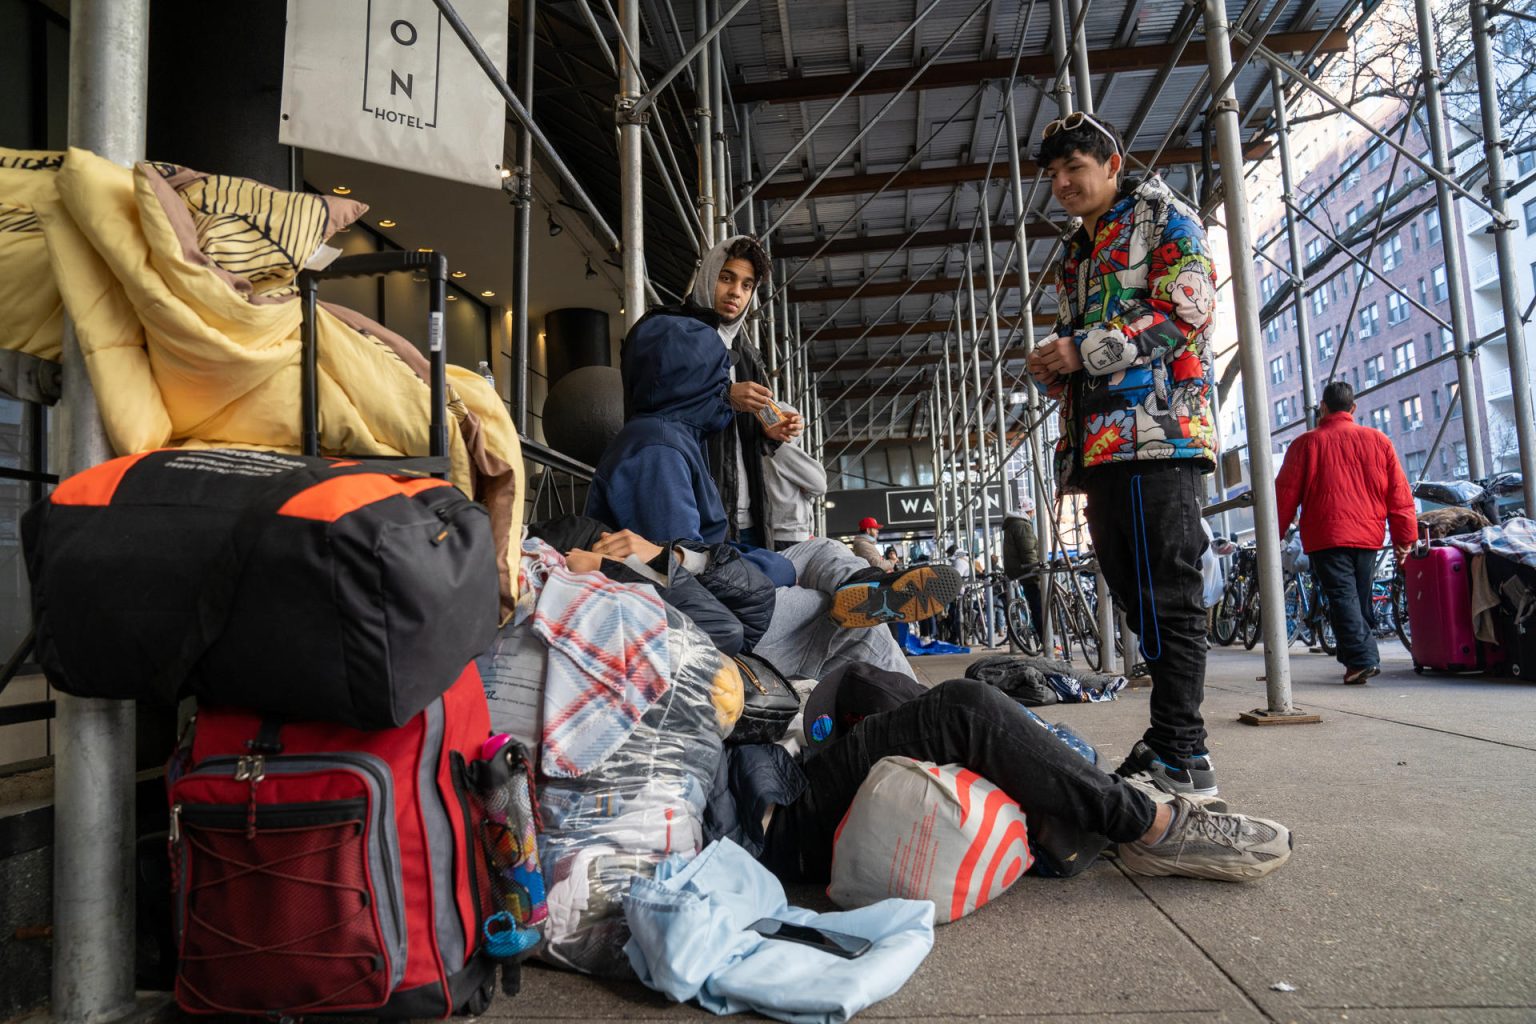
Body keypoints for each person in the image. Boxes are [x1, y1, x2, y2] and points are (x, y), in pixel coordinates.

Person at [585, 309, 962, 678]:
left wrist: (765, 568)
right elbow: (681, 572)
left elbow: (689, 556)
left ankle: (866, 588)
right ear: (690, 380)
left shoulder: (669, 437)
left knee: (824, 550)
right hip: (722, 618)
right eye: (717, 375)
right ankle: (919, 720)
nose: (727, 388)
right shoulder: (659, 451)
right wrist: (768, 574)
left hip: (725, 590)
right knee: (849, 624)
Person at [1025, 111, 1222, 803]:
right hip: (1103, 442)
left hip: (1157, 433)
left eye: (1074, 168)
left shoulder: (1163, 217)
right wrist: (1060, 361)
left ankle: (1183, 750)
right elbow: (1094, 338)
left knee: (1167, 595)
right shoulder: (1080, 249)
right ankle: (1173, 742)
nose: (1062, 184)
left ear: (1112, 163)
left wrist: (1086, 349)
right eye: (1053, 175)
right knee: (1138, 593)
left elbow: (1186, 310)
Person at [721, 672, 1293, 887]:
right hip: (776, 813)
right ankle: (1150, 826)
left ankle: (1080, 820)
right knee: (961, 708)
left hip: (773, 775)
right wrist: (685, 563)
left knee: (899, 694)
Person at [1275, 380, 1416, 683]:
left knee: (1342, 597)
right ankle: (1356, 659)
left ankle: (1362, 659)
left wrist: (1272, 532)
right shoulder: (1379, 441)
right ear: (1353, 408)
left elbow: (1284, 495)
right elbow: (1400, 496)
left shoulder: (1306, 444)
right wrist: (1405, 539)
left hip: (1326, 535)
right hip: (1368, 535)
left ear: (1323, 407)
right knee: (1358, 597)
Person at [760, 403, 826, 551]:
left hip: (770, 531)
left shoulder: (758, 448)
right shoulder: (781, 449)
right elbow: (820, 485)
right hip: (790, 534)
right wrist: (807, 489)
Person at [1003, 500, 1044, 643]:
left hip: (1019, 571)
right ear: (1030, 511)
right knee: (1039, 606)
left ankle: (1044, 639)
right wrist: (1036, 571)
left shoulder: (1013, 525)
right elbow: (1028, 551)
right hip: (1028, 571)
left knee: (1035, 605)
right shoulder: (1022, 526)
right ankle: (1046, 640)